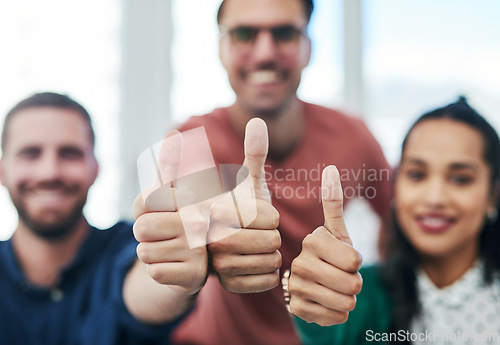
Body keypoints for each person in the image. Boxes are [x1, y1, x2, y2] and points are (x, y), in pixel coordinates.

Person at [139, 0, 391, 344]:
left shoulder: (353, 137)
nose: (264, 54)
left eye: (284, 33)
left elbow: (400, 222)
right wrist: (209, 246)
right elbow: (195, 244)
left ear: (308, 47)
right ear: (221, 49)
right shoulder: (191, 142)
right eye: (244, 34)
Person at [0, 92, 208, 345]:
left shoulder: (126, 246)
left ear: (94, 168)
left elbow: (148, 285)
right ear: (3, 171)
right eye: (30, 154)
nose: (50, 172)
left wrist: (176, 280)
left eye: (69, 153)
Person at [290, 97, 500, 344]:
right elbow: (325, 334)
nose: (434, 198)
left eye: (460, 179)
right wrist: (311, 298)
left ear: (493, 196)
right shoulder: (355, 292)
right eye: (417, 174)